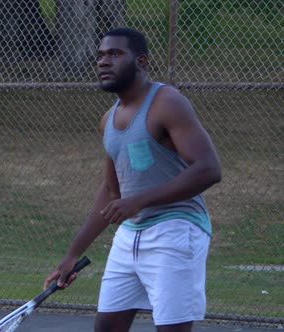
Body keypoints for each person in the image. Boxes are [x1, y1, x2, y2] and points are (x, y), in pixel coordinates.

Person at [43, 28, 222, 332]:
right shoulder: (107, 120)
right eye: (100, 55)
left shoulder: (167, 102)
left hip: (176, 230)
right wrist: (73, 253)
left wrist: (138, 201)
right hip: (130, 236)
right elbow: (111, 192)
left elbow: (209, 168)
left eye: (114, 54)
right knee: (107, 327)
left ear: (141, 61)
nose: (103, 62)